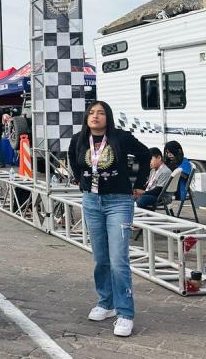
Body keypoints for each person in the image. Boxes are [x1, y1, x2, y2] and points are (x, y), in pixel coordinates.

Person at [67, 100, 150, 337]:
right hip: (92, 202)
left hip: (119, 202)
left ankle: (125, 313)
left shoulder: (120, 137)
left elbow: (146, 155)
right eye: (91, 113)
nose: (95, 116)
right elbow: (72, 158)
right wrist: (80, 180)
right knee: (100, 258)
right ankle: (106, 302)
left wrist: (141, 185)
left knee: (118, 259)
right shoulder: (79, 139)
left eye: (101, 113)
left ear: (108, 117)